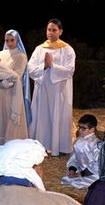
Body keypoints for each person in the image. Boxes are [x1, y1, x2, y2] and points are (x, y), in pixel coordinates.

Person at [28, 19, 75, 156]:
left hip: (59, 91)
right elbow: (31, 69)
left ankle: (58, 147)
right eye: (49, 29)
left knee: (57, 116)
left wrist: (52, 66)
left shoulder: (67, 50)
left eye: (54, 30)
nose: (51, 32)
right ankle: (40, 148)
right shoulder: (39, 49)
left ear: (60, 31)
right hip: (42, 90)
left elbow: (69, 70)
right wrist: (44, 66)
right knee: (42, 118)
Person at [0, 30, 30, 156]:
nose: (9, 43)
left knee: (10, 118)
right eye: (7, 40)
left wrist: (4, 78)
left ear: (17, 41)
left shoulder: (21, 56)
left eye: (12, 40)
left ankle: (11, 150)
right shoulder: (0, 54)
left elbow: (17, 76)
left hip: (12, 93)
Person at [61, 114, 102, 189]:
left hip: (94, 173)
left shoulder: (96, 144)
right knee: (66, 179)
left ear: (92, 129)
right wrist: (72, 169)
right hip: (81, 170)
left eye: (83, 128)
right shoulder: (78, 140)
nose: (79, 130)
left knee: (76, 183)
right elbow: (74, 157)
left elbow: (98, 164)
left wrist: (81, 174)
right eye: (79, 127)